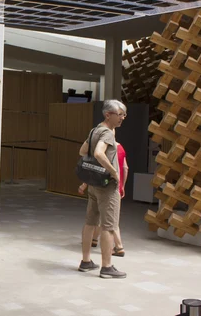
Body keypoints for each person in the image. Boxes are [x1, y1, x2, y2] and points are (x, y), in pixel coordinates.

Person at [77, 100, 127, 279]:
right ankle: (107, 267)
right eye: (120, 114)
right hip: (107, 186)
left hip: (93, 184)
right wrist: (114, 172)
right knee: (109, 225)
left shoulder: (94, 131)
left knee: (90, 222)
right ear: (108, 115)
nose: (123, 117)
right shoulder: (106, 133)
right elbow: (98, 153)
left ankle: (86, 261)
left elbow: (83, 151)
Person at [79, 141, 128, 257]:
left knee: (108, 219)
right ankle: (94, 239)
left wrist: (84, 185)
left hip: (104, 187)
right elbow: (125, 168)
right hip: (117, 186)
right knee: (104, 217)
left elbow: (95, 170)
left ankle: (119, 246)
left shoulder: (102, 150)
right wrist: (122, 186)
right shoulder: (120, 147)